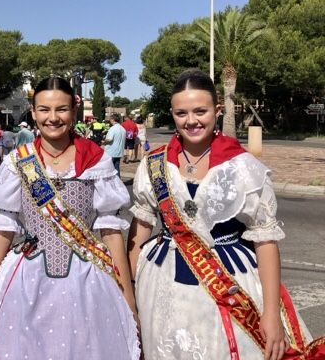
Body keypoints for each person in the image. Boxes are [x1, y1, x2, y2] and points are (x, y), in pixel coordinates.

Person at [127, 69, 317, 360]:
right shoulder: (154, 164)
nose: (191, 121)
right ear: (172, 113)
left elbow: (265, 241)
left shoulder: (244, 168)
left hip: (228, 279)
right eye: (182, 113)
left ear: (217, 111)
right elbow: (139, 230)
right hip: (161, 280)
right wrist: (130, 292)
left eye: (200, 111)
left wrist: (270, 313)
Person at [0, 77, 139, 360]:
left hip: (88, 279)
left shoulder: (96, 161)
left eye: (61, 109)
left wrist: (127, 294)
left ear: (74, 112)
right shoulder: (18, 161)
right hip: (26, 278)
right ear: (33, 112)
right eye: (44, 109)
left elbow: (110, 229)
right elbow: (5, 228)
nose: (53, 118)